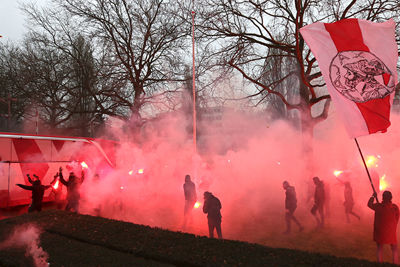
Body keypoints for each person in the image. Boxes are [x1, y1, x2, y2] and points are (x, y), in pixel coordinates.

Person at [368, 191, 399, 264]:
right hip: (391, 232)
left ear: (383, 197)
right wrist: (393, 227)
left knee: (379, 248)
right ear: (391, 198)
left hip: (380, 232)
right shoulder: (395, 207)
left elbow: (369, 204)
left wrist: (373, 196)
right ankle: (395, 263)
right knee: (394, 248)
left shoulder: (378, 206)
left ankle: (380, 263)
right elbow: (397, 218)